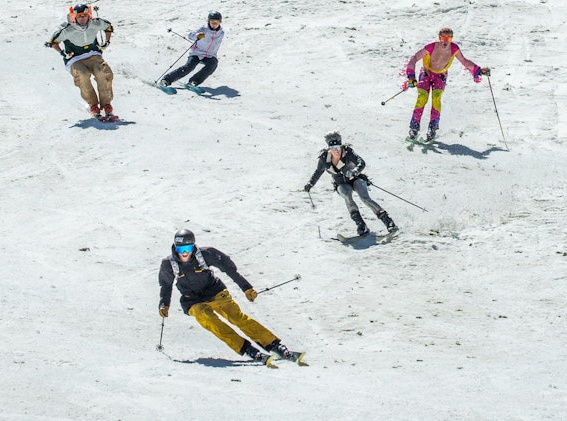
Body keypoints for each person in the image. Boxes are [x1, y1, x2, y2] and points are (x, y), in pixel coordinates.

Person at [157, 229, 303, 366]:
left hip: (215, 292)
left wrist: (246, 288)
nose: (184, 253)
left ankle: (274, 345)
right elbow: (165, 285)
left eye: (187, 249)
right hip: (192, 300)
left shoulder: (206, 254)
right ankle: (246, 349)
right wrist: (164, 304)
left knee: (237, 317)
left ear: (193, 247)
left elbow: (229, 269)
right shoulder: (169, 264)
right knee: (208, 319)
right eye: (180, 249)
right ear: (175, 248)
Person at [304, 132, 397, 237]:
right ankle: (361, 225)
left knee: (365, 198)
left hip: (355, 179)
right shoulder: (324, 158)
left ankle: (388, 221)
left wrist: (355, 171)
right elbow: (318, 172)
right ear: (329, 147)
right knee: (347, 195)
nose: (336, 150)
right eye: (333, 147)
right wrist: (310, 184)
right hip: (341, 183)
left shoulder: (348, 152)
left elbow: (361, 162)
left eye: (338, 146)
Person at [402, 28, 488, 141]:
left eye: (449, 38)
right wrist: (411, 76)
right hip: (426, 73)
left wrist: (479, 70)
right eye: (443, 37)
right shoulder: (431, 47)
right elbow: (414, 59)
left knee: (436, 98)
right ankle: (414, 128)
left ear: (452, 39)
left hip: (440, 76)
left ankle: (432, 129)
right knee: (422, 97)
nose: (446, 41)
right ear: (439, 37)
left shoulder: (454, 49)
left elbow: (465, 61)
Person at [46, 4, 118, 121]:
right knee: (82, 75)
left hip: (93, 54)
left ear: (88, 15)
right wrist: (62, 53)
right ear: (74, 17)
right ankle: (93, 105)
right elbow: (53, 41)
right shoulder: (68, 30)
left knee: (102, 72)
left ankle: (106, 104)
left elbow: (108, 27)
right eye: (79, 16)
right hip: (75, 59)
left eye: (84, 16)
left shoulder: (94, 23)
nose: (82, 18)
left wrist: (107, 41)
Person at [159, 12, 224, 91]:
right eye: (212, 22)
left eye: (216, 22)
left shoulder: (221, 33)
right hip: (197, 53)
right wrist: (197, 36)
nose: (214, 24)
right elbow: (190, 35)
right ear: (208, 21)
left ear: (220, 22)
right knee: (189, 67)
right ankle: (166, 80)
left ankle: (194, 81)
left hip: (209, 55)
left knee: (213, 64)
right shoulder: (204, 29)